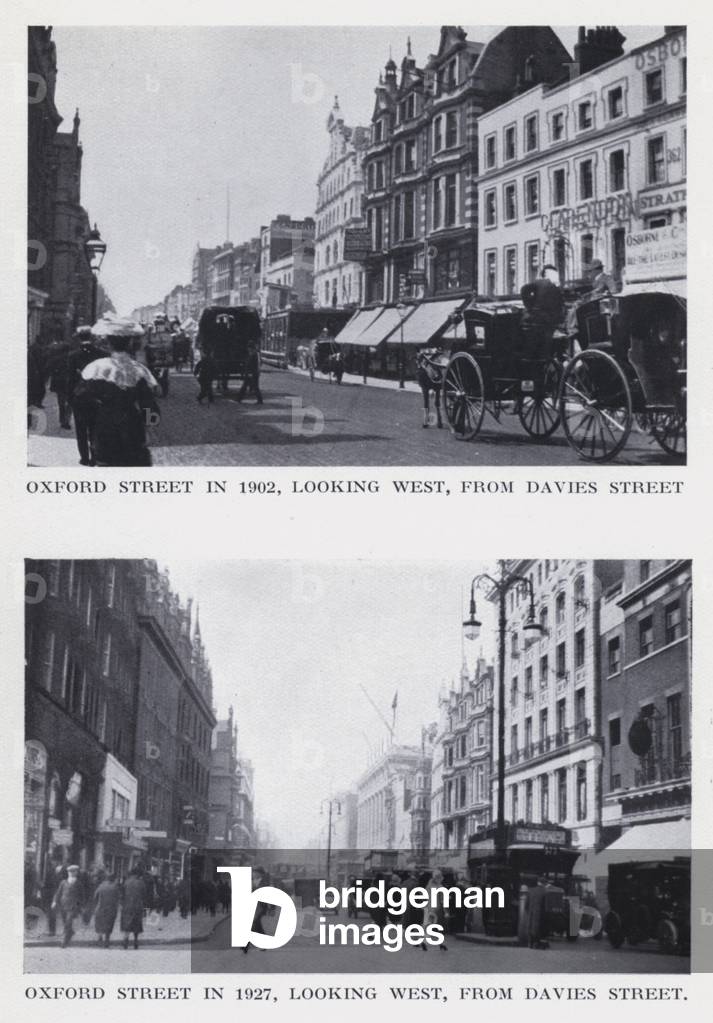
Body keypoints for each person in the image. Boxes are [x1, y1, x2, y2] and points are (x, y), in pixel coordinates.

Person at [76, 330, 160, 467]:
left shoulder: (96, 368)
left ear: (108, 344)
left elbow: (81, 401)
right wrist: (151, 428)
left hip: (104, 426)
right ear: (130, 343)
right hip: (132, 425)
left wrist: (92, 424)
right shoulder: (139, 370)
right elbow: (149, 405)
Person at [67, 328, 105, 465]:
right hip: (97, 397)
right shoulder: (102, 354)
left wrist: (70, 399)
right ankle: (95, 456)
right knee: (95, 428)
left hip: (80, 398)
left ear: (78, 338)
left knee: (81, 429)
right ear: (92, 337)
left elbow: (70, 380)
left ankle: (84, 458)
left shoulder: (73, 356)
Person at [520, 265, 565, 358]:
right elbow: (560, 306)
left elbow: (524, 289)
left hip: (535, 320)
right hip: (547, 322)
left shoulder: (537, 283)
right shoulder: (553, 287)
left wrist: (529, 305)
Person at [52, 864, 83, 948]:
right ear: (68, 873)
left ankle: (64, 941)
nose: (71, 873)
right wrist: (55, 901)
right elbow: (58, 893)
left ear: (76, 873)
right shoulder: (63, 882)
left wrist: (80, 906)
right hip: (63, 905)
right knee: (65, 922)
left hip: (73, 906)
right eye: (70, 872)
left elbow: (82, 896)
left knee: (68, 922)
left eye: (73, 872)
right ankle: (70, 932)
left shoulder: (79, 883)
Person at [46, 337, 73, 429]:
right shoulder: (72, 358)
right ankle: (66, 420)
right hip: (70, 383)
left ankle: (62, 420)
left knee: (61, 403)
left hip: (59, 383)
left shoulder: (56, 359)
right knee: (69, 403)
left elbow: (49, 368)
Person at [120, 866, 146, 950]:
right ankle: (135, 941)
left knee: (127, 924)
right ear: (138, 874)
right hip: (138, 906)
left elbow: (122, 895)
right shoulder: (141, 883)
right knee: (136, 924)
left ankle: (125, 940)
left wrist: (122, 904)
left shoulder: (126, 882)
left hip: (127, 906)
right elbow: (144, 895)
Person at [93, 872, 120, 947]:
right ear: (114, 879)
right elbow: (118, 898)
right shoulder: (115, 887)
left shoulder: (101, 886)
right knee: (109, 924)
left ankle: (100, 937)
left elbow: (95, 897)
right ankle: (107, 940)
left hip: (100, 908)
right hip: (111, 909)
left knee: (100, 923)